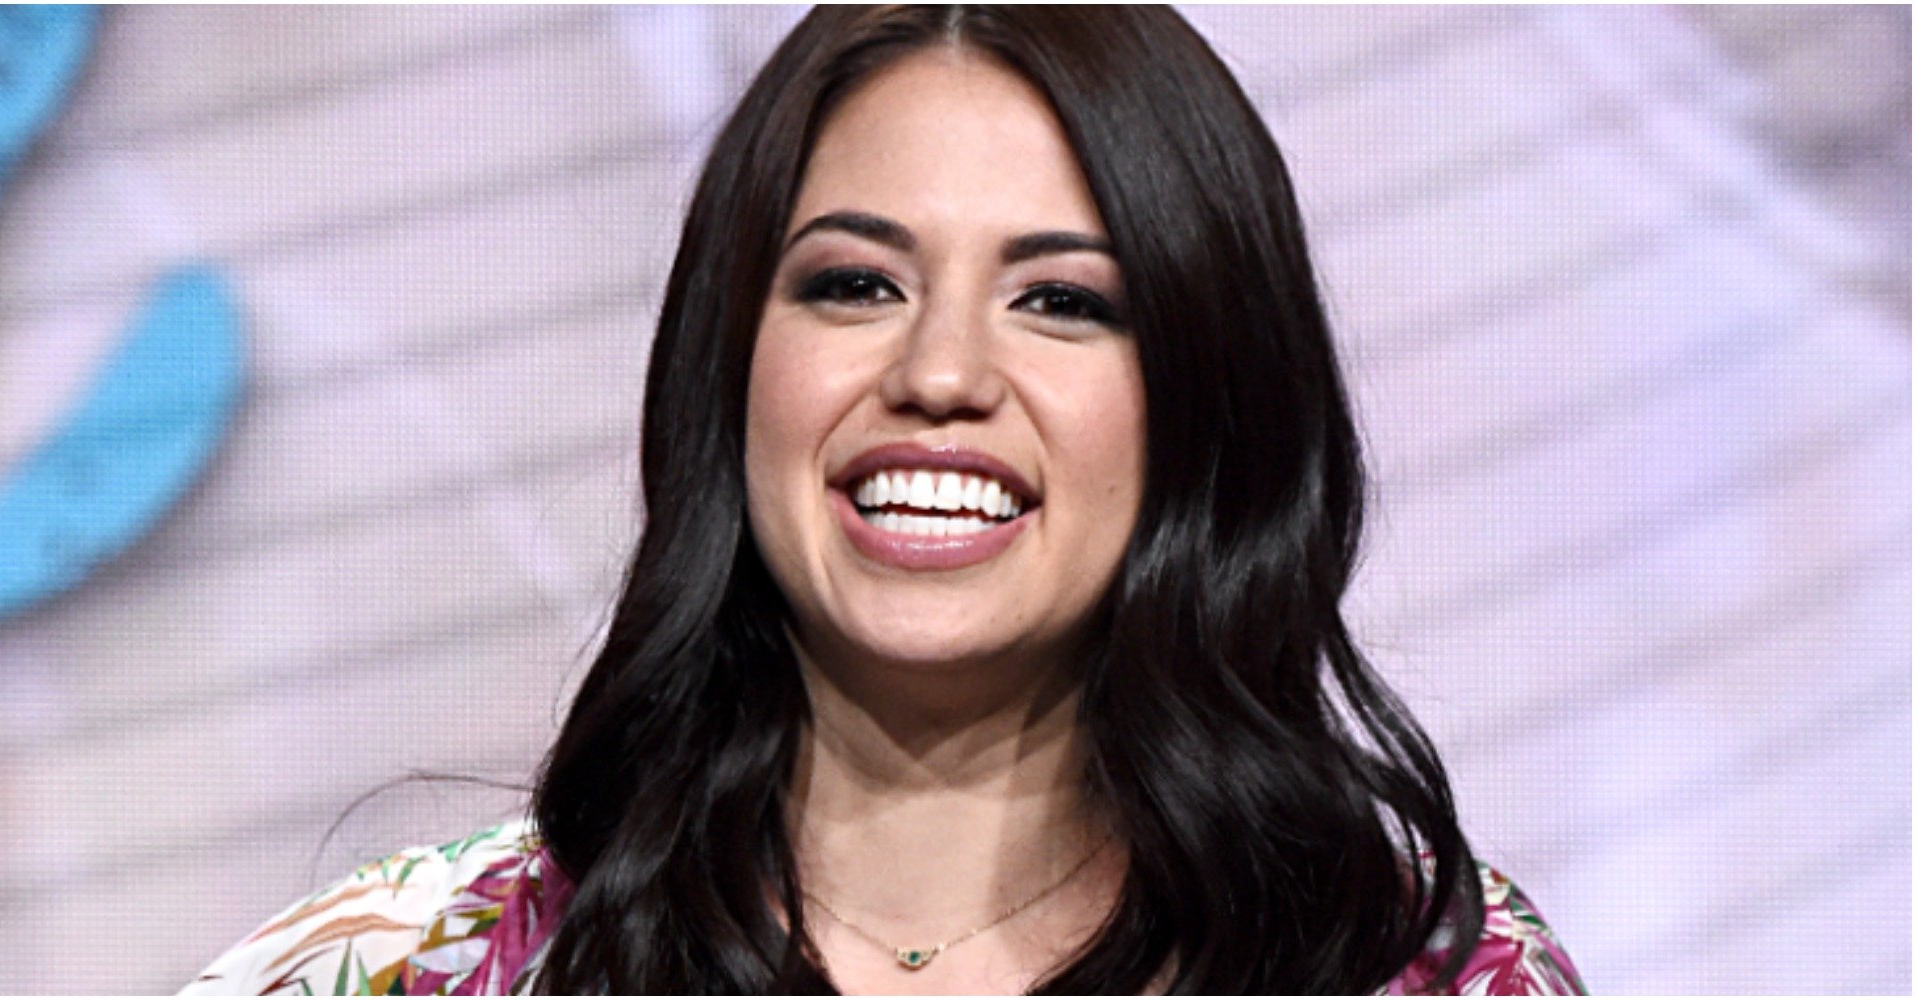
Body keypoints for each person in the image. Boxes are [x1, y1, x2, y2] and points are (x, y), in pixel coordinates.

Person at [184, 6, 1586, 995]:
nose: (940, 373)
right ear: (729, 364)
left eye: (1062, 300)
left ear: (1213, 393)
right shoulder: (414, 969)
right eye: (856, 284)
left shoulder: (1418, 969)